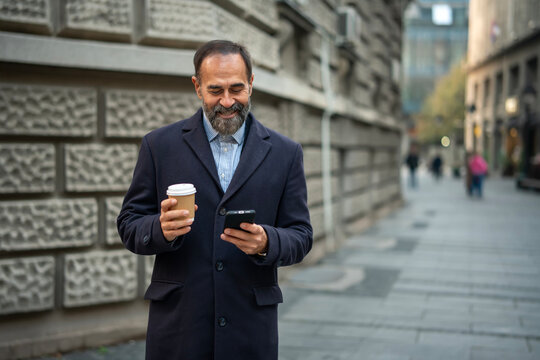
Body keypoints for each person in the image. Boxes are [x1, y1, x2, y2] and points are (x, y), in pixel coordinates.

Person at [117, 40, 313, 360]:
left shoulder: (286, 153)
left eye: (237, 88)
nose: (227, 101)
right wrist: (160, 228)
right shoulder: (159, 146)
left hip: (250, 329)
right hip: (179, 327)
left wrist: (267, 242)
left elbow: (302, 236)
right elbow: (128, 224)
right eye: (215, 90)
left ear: (251, 83)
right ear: (197, 87)